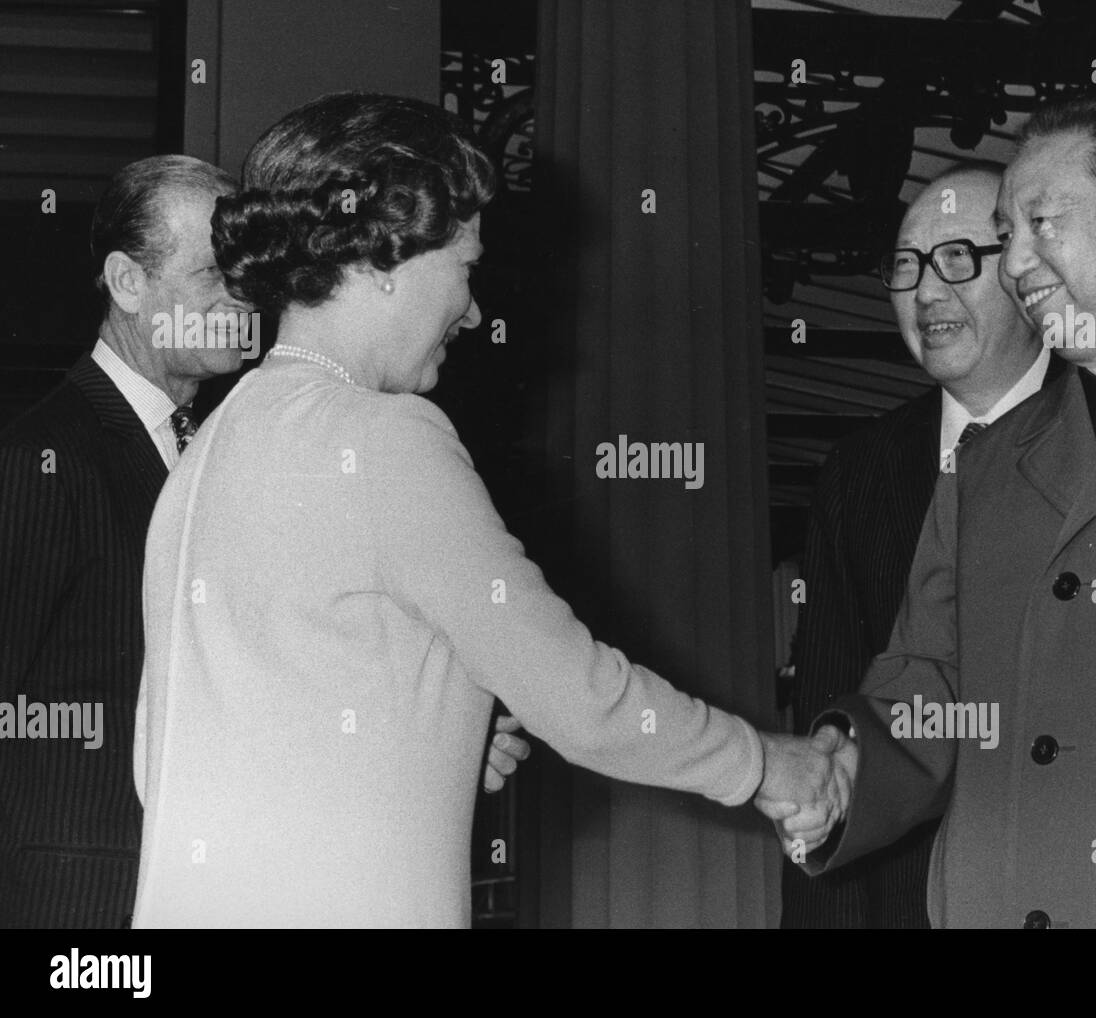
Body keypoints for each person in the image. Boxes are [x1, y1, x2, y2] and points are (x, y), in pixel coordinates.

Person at [130, 92, 835, 929]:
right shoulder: (387, 438)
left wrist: (431, 741)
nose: (473, 310)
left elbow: (164, 760)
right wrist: (766, 765)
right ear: (380, 260)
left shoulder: (207, 448)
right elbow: (578, 698)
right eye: (464, 267)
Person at [785, 92, 1096, 928]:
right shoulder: (986, 464)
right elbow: (932, 685)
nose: (1014, 260)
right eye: (1005, 230)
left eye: (1040, 223)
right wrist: (842, 773)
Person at [781, 162, 1063, 929]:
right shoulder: (858, 472)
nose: (927, 292)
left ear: (1024, 271)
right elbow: (830, 710)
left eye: (957, 259)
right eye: (905, 266)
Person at [0, 155, 247, 927]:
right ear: (128, 282)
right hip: (77, 892)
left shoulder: (215, 449)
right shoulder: (45, 457)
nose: (246, 298)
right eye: (215, 273)